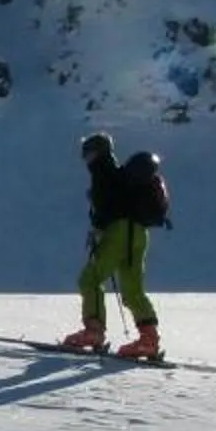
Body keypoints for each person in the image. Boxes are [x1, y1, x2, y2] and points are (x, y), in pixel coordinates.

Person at [60, 131, 161, 360]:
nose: (86, 158)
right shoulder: (121, 174)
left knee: (90, 279)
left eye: (87, 152)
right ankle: (149, 340)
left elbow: (107, 208)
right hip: (139, 233)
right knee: (133, 289)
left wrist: (97, 229)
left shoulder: (102, 171)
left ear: (96, 152)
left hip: (119, 232)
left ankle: (93, 332)